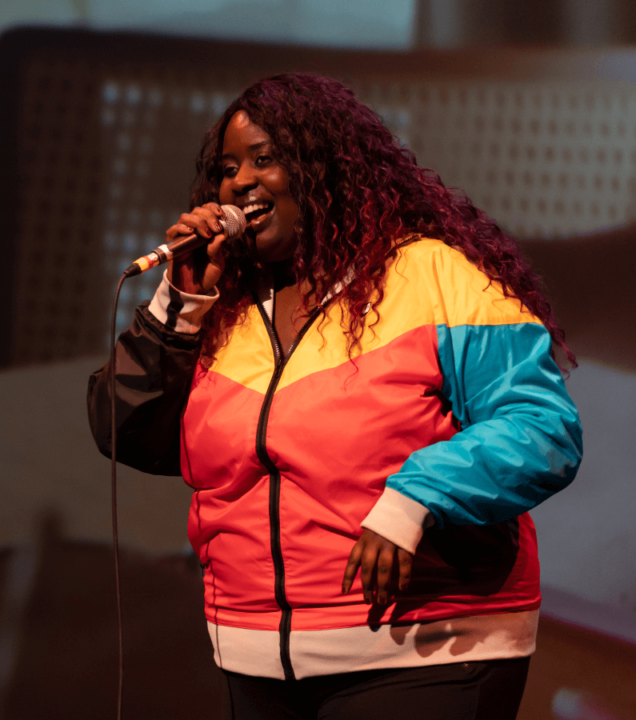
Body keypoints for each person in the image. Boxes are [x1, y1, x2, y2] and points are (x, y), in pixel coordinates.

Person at [88, 73, 582, 719]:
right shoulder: (224, 307)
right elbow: (130, 434)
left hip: (425, 648)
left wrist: (415, 500)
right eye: (227, 168)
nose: (239, 183)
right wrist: (179, 307)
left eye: (265, 159)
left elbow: (538, 425)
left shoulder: (431, 273)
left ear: (325, 169)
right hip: (254, 653)